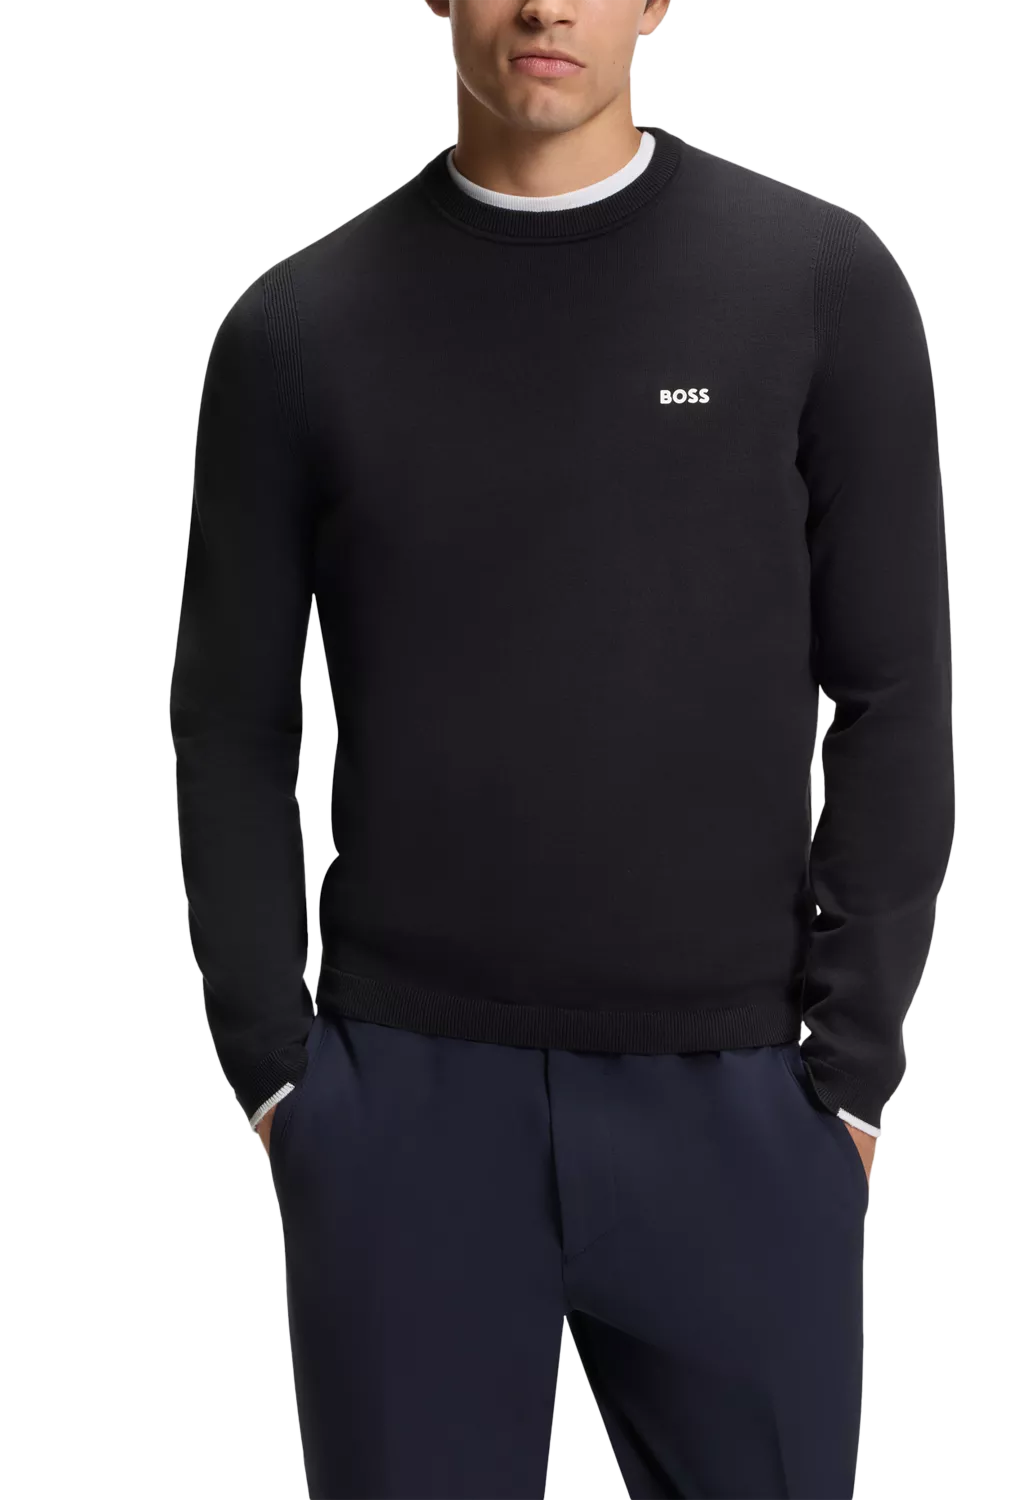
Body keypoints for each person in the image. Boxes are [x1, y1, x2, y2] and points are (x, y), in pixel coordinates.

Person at [169, 1, 954, 1494]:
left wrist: (849, 1078)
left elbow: (896, 691)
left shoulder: (817, 286)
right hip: (404, 1108)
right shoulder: (296, 333)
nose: (545, 5)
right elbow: (229, 719)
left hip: (740, 1101)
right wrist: (277, 1074)